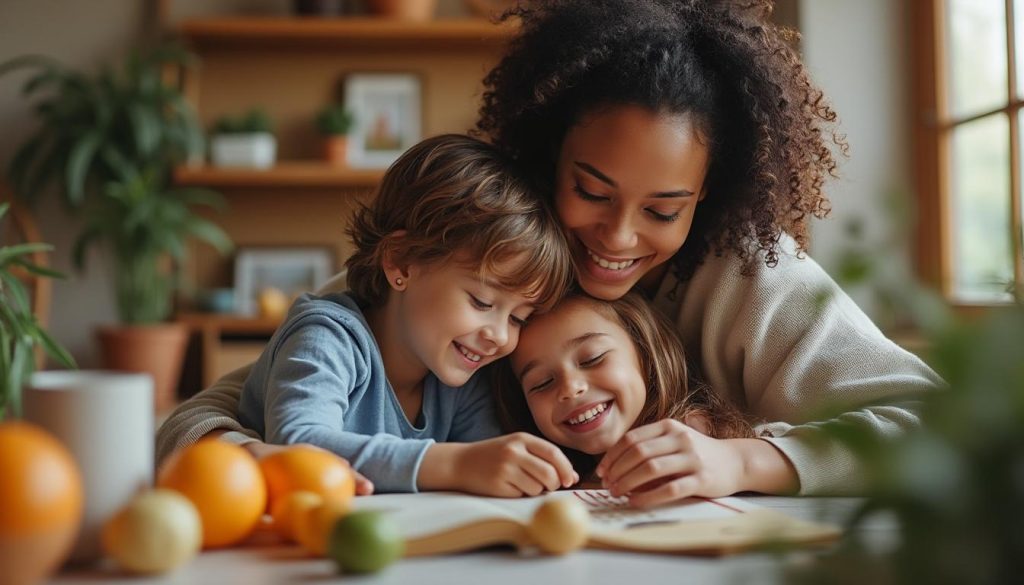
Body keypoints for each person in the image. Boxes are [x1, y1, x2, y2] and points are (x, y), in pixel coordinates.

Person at [157, 0, 942, 499]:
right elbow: (211, 416)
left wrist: (745, 461)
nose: (618, 236)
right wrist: (273, 467)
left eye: (663, 208)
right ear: (547, 158)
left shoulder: (747, 270)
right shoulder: (468, 260)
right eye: (592, 192)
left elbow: (940, 431)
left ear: (709, 199)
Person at [228, 133, 577, 495]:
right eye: (481, 302)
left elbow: (489, 461)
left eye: (518, 318)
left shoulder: (461, 375)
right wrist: (456, 463)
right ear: (401, 262)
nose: (500, 336)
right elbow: (297, 444)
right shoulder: (327, 336)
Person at [493, 292, 755, 507]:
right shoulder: (548, 479)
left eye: (592, 359)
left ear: (645, 353)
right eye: (541, 383)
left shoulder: (698, 438)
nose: (570, 388)